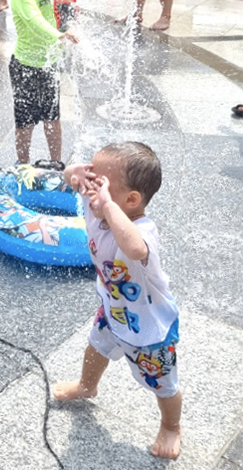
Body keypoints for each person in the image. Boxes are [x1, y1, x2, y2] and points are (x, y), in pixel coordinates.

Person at [55, 142, 181, 460]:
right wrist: (74, 173)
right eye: (91, 178)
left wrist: (108, 206)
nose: (89, 189)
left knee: (163, 384)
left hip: (150, 329)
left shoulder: (142, 229)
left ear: (131, 200)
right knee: (95, 348)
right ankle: (87, 385)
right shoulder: (98, 206)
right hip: (113, 311)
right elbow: (71, 178)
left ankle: (171, 426)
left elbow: (135, 249)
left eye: (98, 182)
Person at [9, 0, 79, 166]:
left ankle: (56, 164)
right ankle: (23, 164)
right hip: (25, 66)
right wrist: (59, 35)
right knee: (25, 122)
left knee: (53, 118)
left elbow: (52, 16)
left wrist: (66, 30)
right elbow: (34, 20)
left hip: (48, 64)